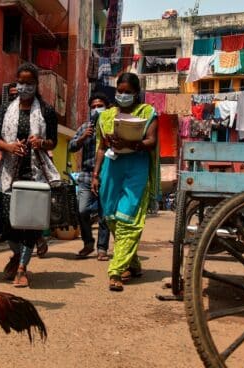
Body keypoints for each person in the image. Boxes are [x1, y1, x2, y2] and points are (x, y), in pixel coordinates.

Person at [92, 72, 159, 292]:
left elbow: (151, 140)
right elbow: (101, 147)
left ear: (136, 93)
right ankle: (133, 263)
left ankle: (116, 270)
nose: (122, 95)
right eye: (119, 91)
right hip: (111, 170)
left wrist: (132, 142)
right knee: (111, 217)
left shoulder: (147, 112)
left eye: (127, 92)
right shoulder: (106, 116)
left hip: (137, 169)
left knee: (128, 219)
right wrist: (95, 174)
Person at [0, 63, 59, 288]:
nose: (24, 87)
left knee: (29, 223)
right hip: (9, 173)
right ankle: (18, 253)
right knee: (5, 220)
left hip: (34, 173)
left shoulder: (47, 111)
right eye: (21, 82)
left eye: (29, 83)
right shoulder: (5, 109)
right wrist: (10, 147)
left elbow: (53, 141)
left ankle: (22, 267)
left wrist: (40, 142)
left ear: (36, 85)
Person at [68, 92, 111, 261]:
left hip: (106, 174)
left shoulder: (111, 125)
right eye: (93, 107)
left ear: (107, 107)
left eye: (99, 106)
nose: (96, 109)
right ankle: (88, 242)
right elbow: (71, 146)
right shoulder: (85, 127)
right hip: (86, 175)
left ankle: (102, 248)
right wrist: (83, 137)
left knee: (104, 214)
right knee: (82, 209)